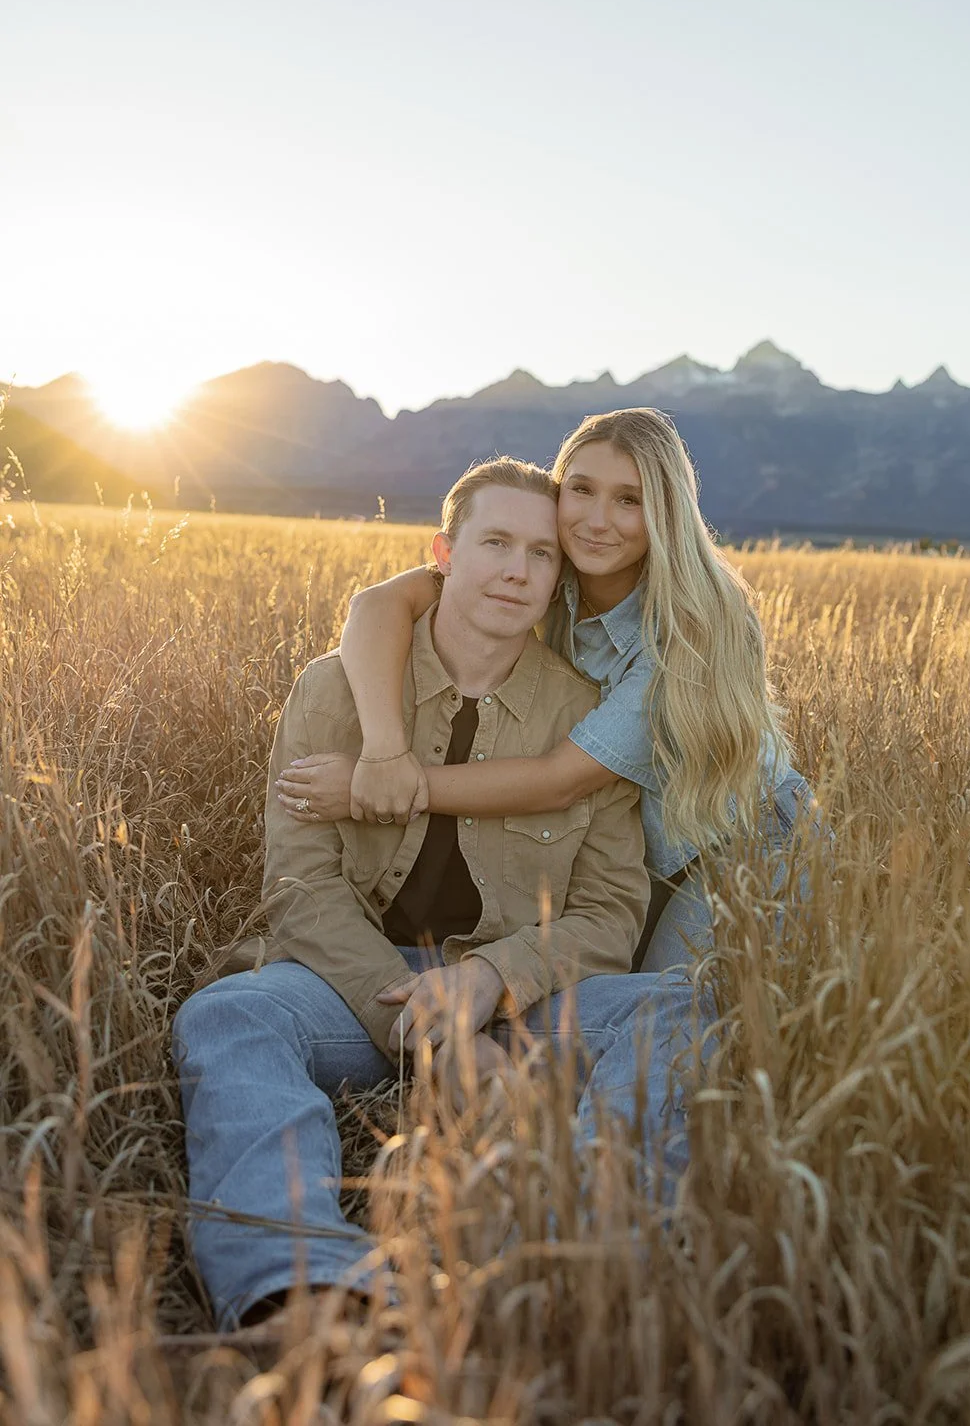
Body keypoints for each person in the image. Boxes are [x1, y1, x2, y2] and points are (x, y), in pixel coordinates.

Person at [172, 457, 691, 1334]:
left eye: (539, 553)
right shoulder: (335, 689)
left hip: (520, 994)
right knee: (230, 1015)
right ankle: (301, 1292)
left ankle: (585, 1275)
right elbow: (301, 885)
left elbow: (609, 914)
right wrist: (426, 1027)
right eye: (495, 543)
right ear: (443, 553)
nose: (517, 570)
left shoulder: (589, 721)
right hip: (357, 987)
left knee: (675, 1007)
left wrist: (490, 983)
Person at [277, 408, 819, 971]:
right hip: (644, 859)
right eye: (581, 490)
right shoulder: (542, 569)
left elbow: (561, 783)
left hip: (741, 847)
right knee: (591, 997)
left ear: (666, 509)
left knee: (676, 1014)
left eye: (629, 500)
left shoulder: (692, 628)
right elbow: (378, 604)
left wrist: (383, 789)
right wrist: (384, 750)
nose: (597, 520)